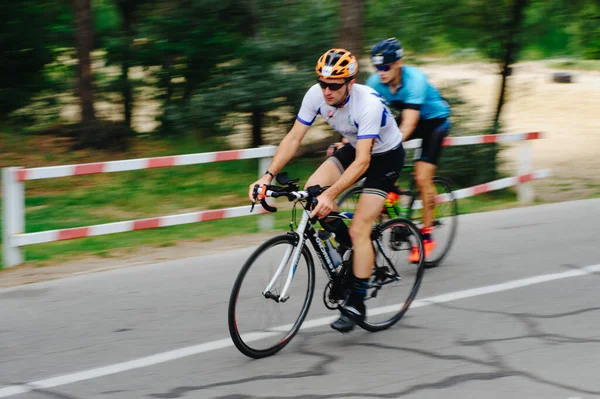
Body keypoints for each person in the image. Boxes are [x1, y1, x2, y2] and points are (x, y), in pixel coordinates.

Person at [248, 48, 405, 333]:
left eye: (334, 85)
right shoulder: (315, 95)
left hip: (385, 157)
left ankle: (358, 301)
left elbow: (364, 162)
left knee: (360, 227)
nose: (327, 91)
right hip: (355, 148)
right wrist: (267, 176)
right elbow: (294, 137)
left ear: (350, 82)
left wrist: (331, 194)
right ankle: (349, 246)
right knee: (311, 192)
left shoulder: (367, 104)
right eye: (323, 83)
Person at [367, 37, 451, 262]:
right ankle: (394, 195)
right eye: (377, 67)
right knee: (377, 157)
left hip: (434, 123)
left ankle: (426, 235)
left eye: (386, 67)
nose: (381, 72)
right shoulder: (375, 83)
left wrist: (388, 147)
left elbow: (409, 123)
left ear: (398, 64)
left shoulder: (415, 79)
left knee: (422, 177)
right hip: (408, 119)